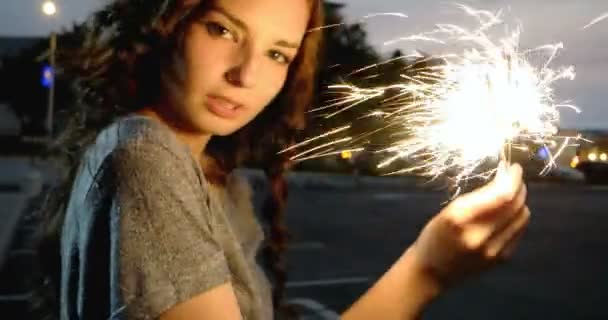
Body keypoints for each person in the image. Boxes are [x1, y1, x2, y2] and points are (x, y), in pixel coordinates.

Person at [31, 0, 531, 319]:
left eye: (278, 54)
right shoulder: (147, 156)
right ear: (168, 21)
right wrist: (426, 272)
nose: (246, 75)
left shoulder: (203, 171)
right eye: (222, 30)